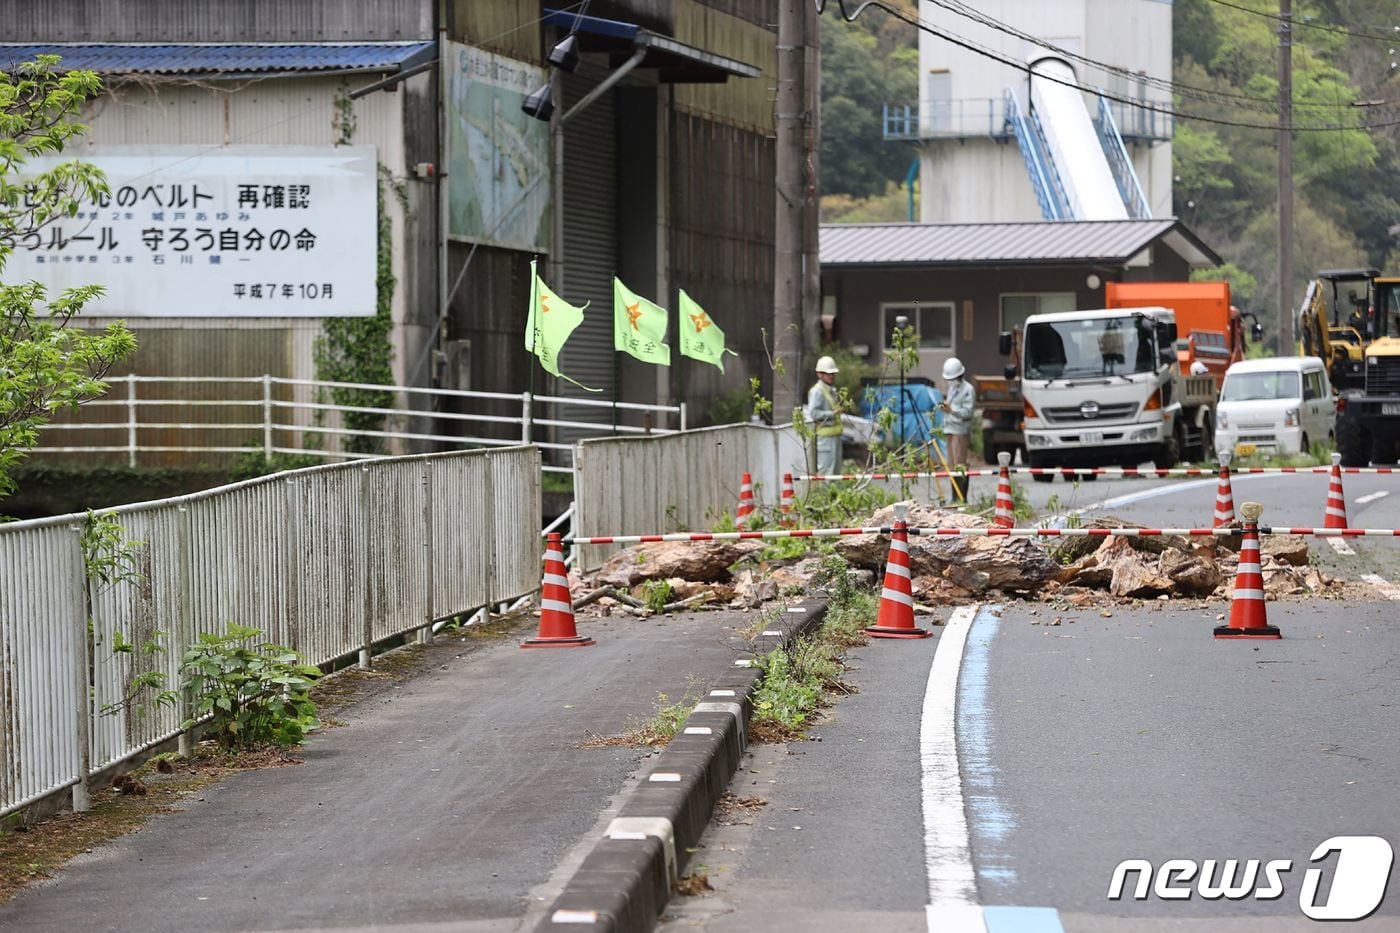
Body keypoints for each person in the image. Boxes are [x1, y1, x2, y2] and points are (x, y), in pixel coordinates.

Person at [806, 356, 844, 475]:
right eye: (828, 373)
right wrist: (832, 414)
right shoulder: (817, 391)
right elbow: (813, 413)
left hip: (836, 437)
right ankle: (824, 494)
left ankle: (835, 494)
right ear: (820, 374)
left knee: (836, 473)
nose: (831, 376)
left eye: (833, 373)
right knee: (827, 473)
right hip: (825, 440)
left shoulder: (832, 390)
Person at [940, 356, 976, 477]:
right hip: (949, 429)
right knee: (951, 466)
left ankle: (961, 493)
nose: (950, 381)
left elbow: (968, 412)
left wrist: (952, 410)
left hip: (960, 431)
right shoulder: (952, 388)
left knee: (959, 465)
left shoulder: (968, 390)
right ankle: (954, 493)